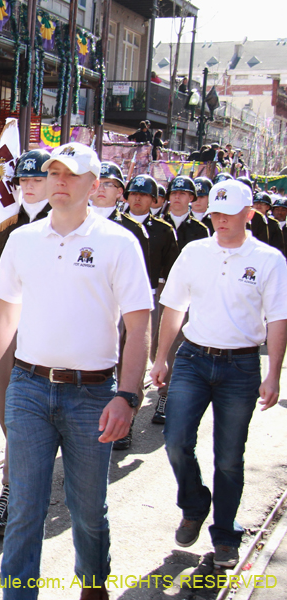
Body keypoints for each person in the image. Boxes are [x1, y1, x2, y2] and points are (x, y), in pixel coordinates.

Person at [0, 142, 153, 600]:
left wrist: (128, 396)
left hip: (93, 395)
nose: (61, 183)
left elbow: (138, 325)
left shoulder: (118, 243)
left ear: (94, 183)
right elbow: (5, 316)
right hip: (29, 388)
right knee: (25, 508)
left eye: (71, 175)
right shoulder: (22, 240)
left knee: (88, 510)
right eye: (54, 174)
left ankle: (94, 585)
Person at [150, 180, 287, 570]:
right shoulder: (194, 252)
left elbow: (278, 318)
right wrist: (160, 358)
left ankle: (225, 536)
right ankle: (194, 503)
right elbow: (173, 306)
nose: (220, 220)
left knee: (229, 456)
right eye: (215, 214)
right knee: (175, 441)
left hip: (241, 366)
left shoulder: (269, 260)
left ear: (249, 215)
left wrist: (273, 372)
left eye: (229, 214)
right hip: (193, 359)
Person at [0, 149, 53, 535]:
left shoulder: (63, 224)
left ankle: (11, 491)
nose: (30, 188)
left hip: (49, 337)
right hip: (6, 332)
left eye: (38, 180)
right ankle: (23, 477)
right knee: (9, 416)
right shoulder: (5, 223)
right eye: (24, 181)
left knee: (27, 420)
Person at [122, 174, 179, 449]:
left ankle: (128, 421)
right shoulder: (114, 225)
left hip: (148, 300)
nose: (137, 198)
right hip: (114, 299)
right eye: (133, 193)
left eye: (144, 195)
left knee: (137, 360)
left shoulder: (164, 230)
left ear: (153, 199)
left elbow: (171, 273)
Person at [152, 176, 210, 424]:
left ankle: (166, 394)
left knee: (174, 342)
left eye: (184, 194)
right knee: (152, 341)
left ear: (191, 199)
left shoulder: (200, 229)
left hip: (184, 293)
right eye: (174, 193)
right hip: (157, 288)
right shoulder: (158, 224)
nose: (177, 197)